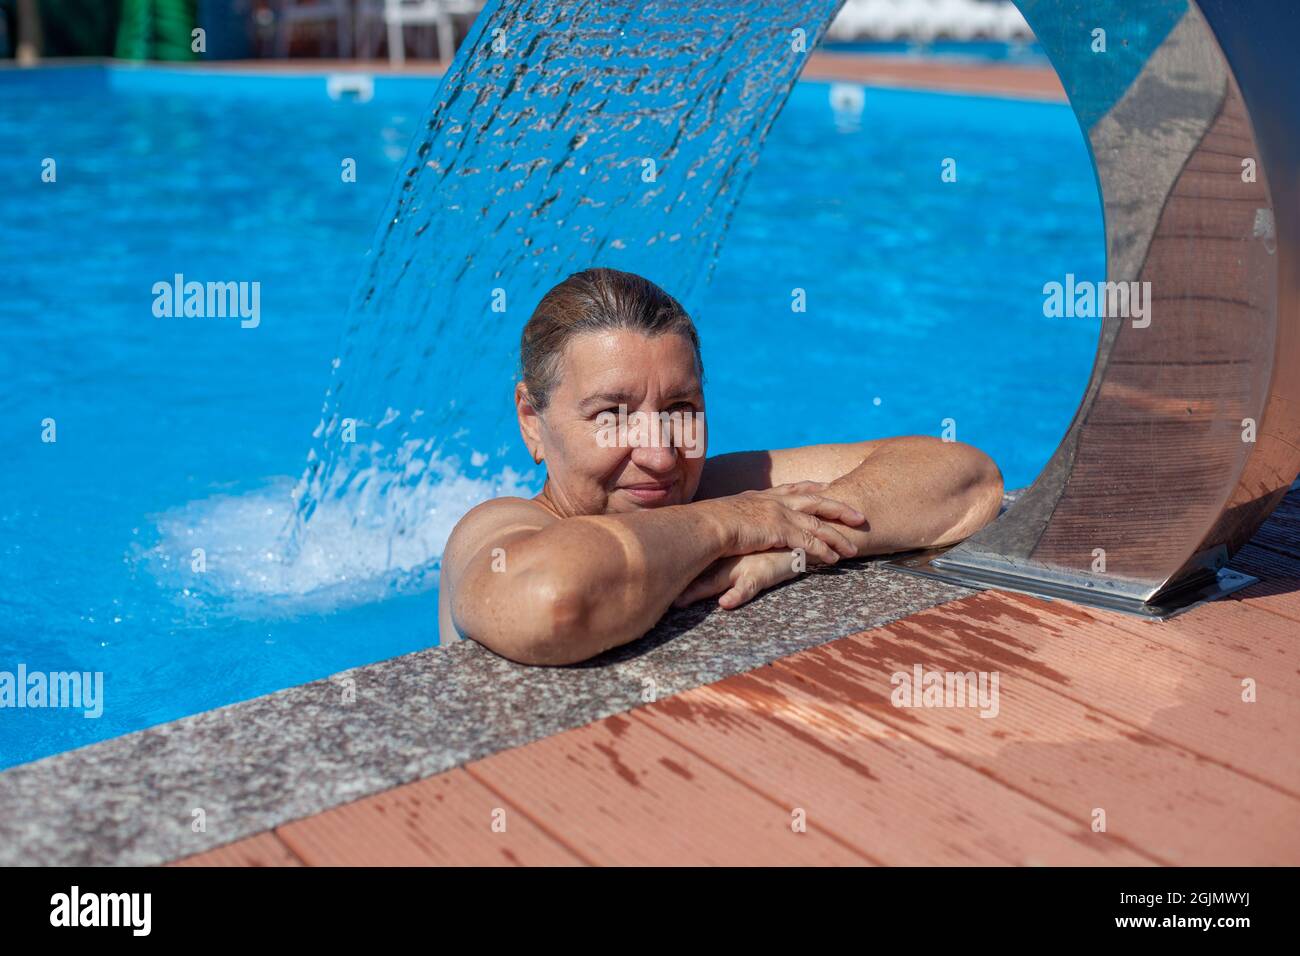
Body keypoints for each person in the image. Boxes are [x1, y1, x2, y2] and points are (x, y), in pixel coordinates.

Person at [438, 268, 1003, 665]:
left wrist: (793, 545)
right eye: (611, 416)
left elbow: (966, 478)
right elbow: (553, 601)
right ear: (531, 420)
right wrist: (731, 525)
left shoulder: (709, 489)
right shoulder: (494, 531)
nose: (660, 455)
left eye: (681, 410)